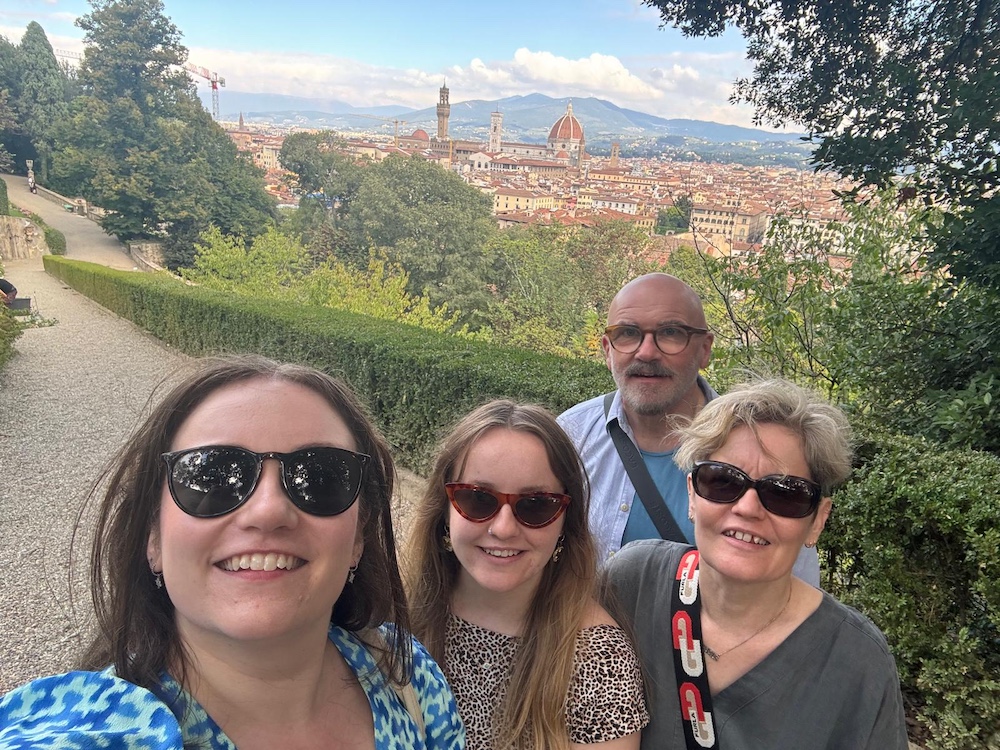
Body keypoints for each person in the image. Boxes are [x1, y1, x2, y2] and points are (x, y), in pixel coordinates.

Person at [0, 355, 464, 749]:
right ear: (153, 538)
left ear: (358, 539)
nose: (268, 511)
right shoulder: (101, 730)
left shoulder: (408, 675)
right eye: (213, 476)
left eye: (321, 476)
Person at [605, 379, 909, 749]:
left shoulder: (857, 663)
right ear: (692, 495)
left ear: (817, 520)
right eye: (721, 481)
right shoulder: (632, 582)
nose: (747, 508)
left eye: (784, 493)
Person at [405, 400, 649, 750]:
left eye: (536, 505)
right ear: (444, 510)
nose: (504, 529)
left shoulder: (598, 661)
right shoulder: (395, 614)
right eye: (477, 499)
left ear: (567, 521)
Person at [558, 273, 820, 586]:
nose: (646, 352)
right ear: (607, 349)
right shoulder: (572, 436)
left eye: (670, 333)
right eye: (628, 333)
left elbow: (795, 587)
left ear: (705, 349)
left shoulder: (764, 451)